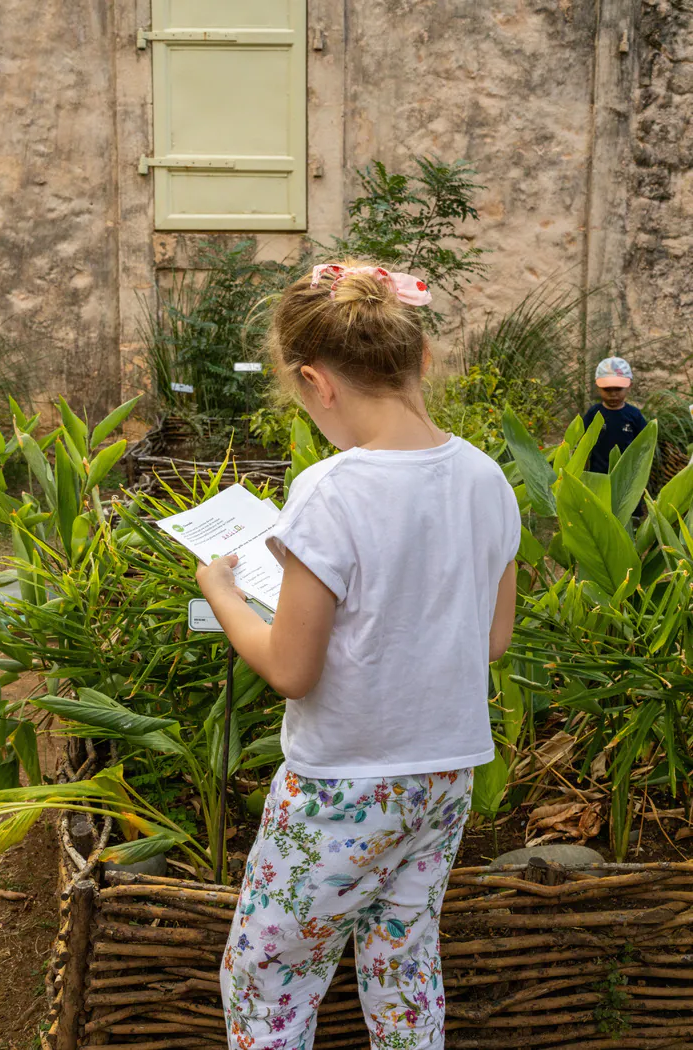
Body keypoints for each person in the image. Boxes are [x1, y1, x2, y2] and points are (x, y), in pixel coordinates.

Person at [196, 261, 520, 1050]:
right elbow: (493, 639)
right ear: (423, 361)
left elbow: (291, 670)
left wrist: (224, 594)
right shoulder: (487, 478)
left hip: (342, 785)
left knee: (264, 982)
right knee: (401, 968)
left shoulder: (330, 491)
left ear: (318, 382)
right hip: (443, 775)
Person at [583, 357, 647, 474]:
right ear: (598, 388)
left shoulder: (634, 415)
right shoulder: (594, 414)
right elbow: (581, 442)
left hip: (626, 474)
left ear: (629, 386)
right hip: (597, 475)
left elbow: (645, 444)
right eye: (607, 389)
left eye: (618, 389)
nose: (613, 394)